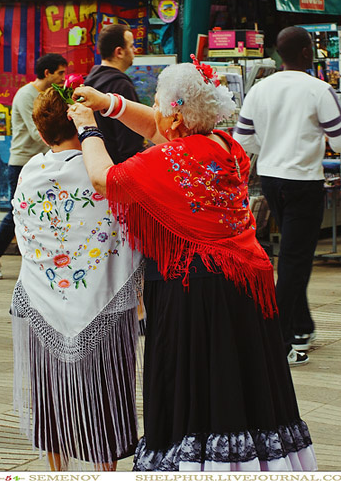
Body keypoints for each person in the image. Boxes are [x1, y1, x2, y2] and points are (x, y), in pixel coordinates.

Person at [70, 62, 316, 472]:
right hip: (244, 284)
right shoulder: (224, 145)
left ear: (178, 116)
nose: (154, 111)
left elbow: (102, 178)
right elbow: (157, 127)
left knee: (203, 389)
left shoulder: (169, 160)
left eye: (158, 104)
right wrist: (109, 103)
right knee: (244, 385)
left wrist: (88, 128)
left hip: (196, 294)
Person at [10, 88, 143, 470]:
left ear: (40, 131)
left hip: (42, 297)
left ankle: (58, 472)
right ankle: (105, 470)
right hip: (102, 299)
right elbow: (125, 231)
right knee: (104, 391)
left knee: (50, 393)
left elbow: (25, 234)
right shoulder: (100, 173)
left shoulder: (29, 173)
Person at [234, 26, 341, 365]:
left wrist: (272, 145)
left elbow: (243, 140)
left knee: (292, 254)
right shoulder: (319, 90)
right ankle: (281, 340)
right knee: (295, 261)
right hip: (304, 181)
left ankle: (302, 326)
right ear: (305, 52)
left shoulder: (260, 89)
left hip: (271, 178)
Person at [0, 53, 67, 280]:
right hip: (22, 163)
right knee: (17, 214)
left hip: (45, 163)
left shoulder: (49, 94)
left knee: (48, 213)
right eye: (60, 73)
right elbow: (37, 132)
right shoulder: (25, 95)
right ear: (47, 73)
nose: (63, 77)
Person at [84, 24, 143, 164]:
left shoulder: (88, 83)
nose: (135, 50)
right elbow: (130, 142)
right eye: (131, 46)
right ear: (119, 52)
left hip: (93, 165)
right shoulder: (121, 86)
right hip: (117, 169)